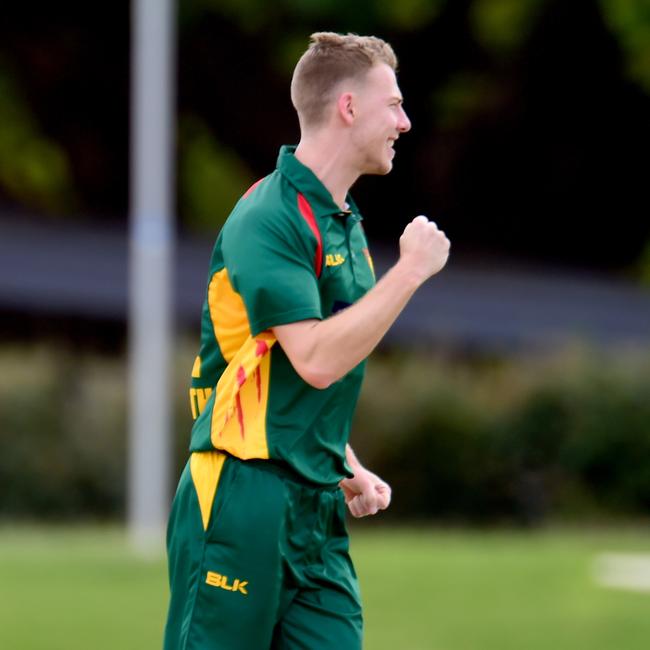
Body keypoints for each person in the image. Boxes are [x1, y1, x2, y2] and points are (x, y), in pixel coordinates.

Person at [163, 32, 450, 650]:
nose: (404, 121)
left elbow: (292, 378)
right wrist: (410, 271)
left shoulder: (342, 224)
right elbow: (316, 360)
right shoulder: (270, 217)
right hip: (242, 501)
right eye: (393, 104)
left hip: (313, 510)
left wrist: (344, 465)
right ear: (348, 108)